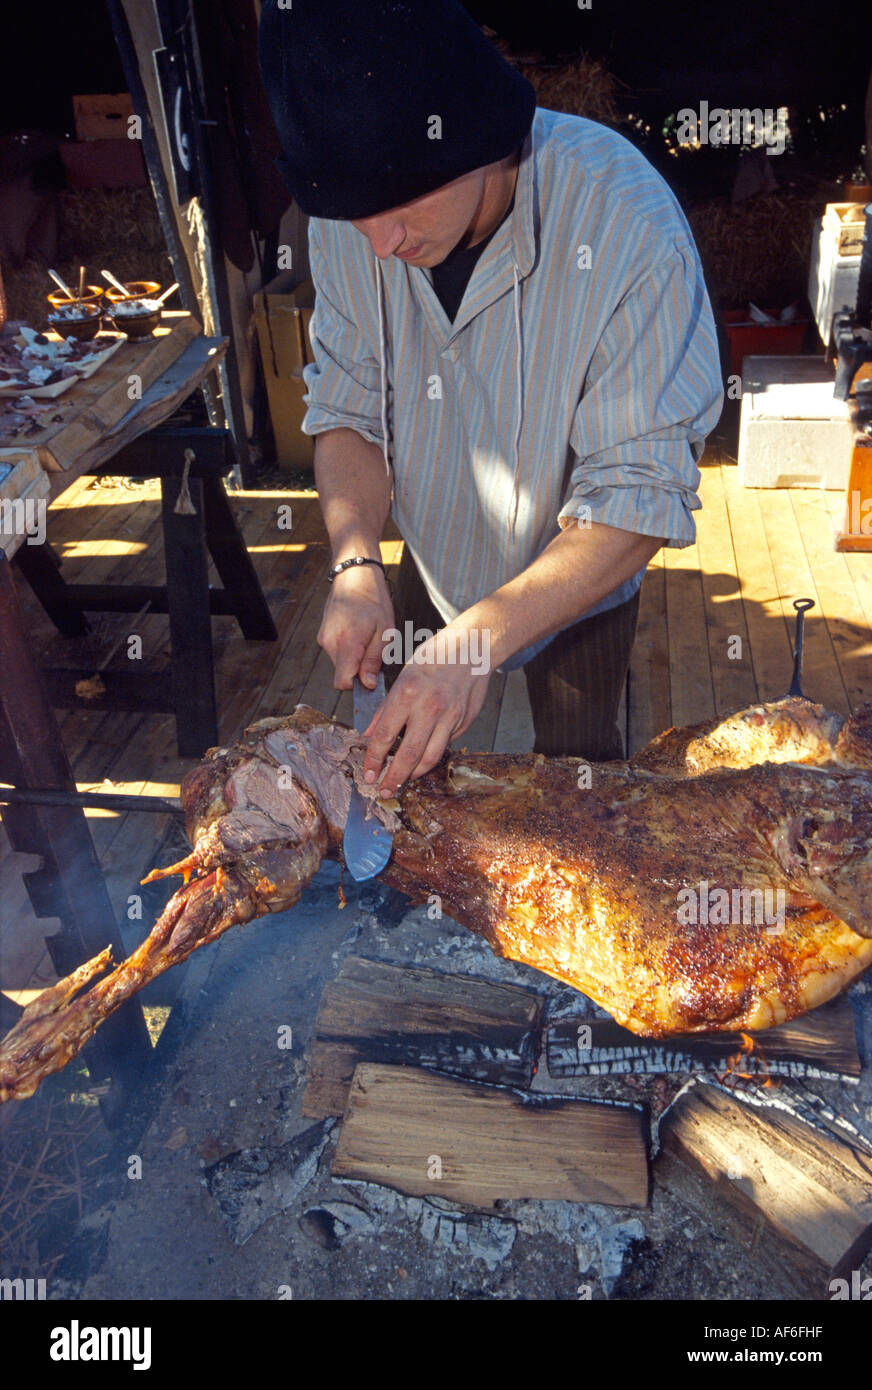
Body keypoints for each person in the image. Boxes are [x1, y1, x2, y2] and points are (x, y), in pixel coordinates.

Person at [258, 0, 723, 800]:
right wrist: (356, 560)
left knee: (580, 793)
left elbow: (639, 492)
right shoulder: (356, 217)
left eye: (399, 206)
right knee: (397, 784)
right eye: (351, 217)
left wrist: (479, 643)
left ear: (478, 138)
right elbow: (347, 407)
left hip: (575, 573)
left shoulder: (626, 222)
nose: (378, 245)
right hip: (432, 552)